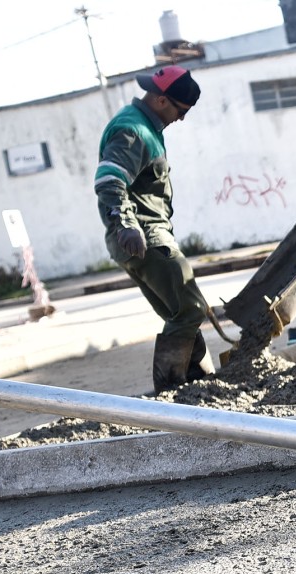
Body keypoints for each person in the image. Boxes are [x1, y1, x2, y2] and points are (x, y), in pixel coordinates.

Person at [94, 65, 213, 394]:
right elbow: (109, 179)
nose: (182, 118)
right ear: (161, 100)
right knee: (189, 308)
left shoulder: (144, 126)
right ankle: (172, 391)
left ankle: (201, 386)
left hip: (146, 236)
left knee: (182, 311)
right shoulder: (133, 130)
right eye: (181, 110)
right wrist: (126, 223)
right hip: (144, 237)